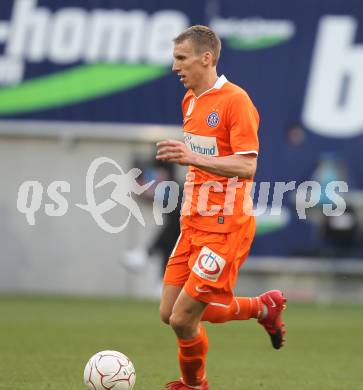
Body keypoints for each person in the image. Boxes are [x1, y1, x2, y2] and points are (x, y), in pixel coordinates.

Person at [156, 25, 286, 390]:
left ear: (206, 58)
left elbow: (247, 166)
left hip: (225, 228)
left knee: (184, 318)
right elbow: (202, 164)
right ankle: (262, 308)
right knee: (169, 313)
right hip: (193, 226)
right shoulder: (191, 101)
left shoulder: (236, 101)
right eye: (174, 59)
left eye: (181, 58)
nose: (174, 67)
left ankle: (194, 384)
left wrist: (190, 156)